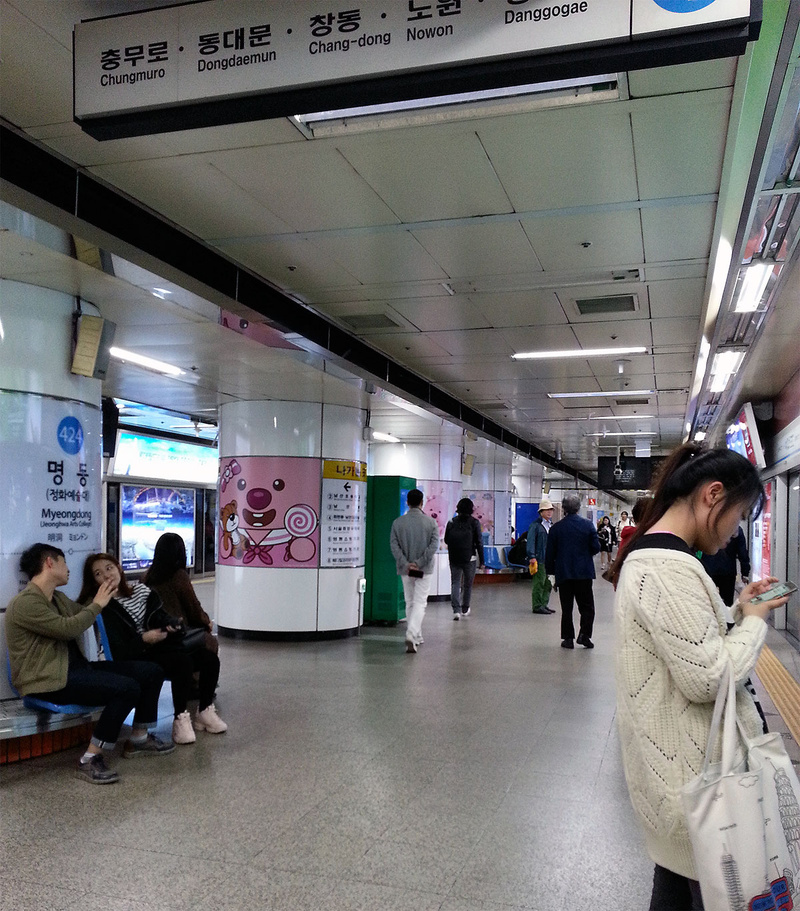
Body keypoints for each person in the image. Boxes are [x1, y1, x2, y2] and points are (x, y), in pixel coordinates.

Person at [611, 444, 791, 910]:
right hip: (699, 792)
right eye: (739, 515)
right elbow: (708, 678)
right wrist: (754, 623)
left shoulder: (656, 556)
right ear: (713, 495)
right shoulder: (668, 567)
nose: (734, 533)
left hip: (681, 787)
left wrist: (737, 611)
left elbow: (687, 645)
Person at [5, 543, 174, 785]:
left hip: (74, 670)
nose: (68, 569)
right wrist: (97, 603)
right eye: (64, 562)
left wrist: (109, 593)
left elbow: (87, 613)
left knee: (151, 671)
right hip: (46, 680)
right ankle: (90, 758)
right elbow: (69, 628)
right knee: (127, 688)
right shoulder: (25, 603)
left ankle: (138, 738)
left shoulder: (57, 598)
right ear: (50, 563)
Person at [79, 553, 227, 745]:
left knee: (209, 658)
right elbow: (119, 649)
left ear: (119, 568)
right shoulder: (103, 607)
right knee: (182, 662)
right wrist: (144, 639)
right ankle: (180, 718)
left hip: (161, 646)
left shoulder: (141, 591)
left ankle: (205, 710)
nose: (107, 575)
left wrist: (171, 624)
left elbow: (159, 615)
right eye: (98, 573)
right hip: (137, 653)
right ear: (94, 581)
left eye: (109, 568)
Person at [143, 533, 218, 656]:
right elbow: (193, 608)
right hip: (176, 631)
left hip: (153, 630)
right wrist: (206, 622)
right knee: (210, 642)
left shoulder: (147, 576)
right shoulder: (178, 576)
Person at [545, 494, 600, 649]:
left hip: (564, 573)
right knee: (587, 607)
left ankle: (568, 638)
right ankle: (584, 635)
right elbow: (596, 547)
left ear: (564, 508)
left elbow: (549, 554)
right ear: (578, 508)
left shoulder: (556, 528)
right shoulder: (588, 525)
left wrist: (551, 574)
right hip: (584, 573)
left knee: (567, 608)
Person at [390, 488, 439, 653]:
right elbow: (433, 546)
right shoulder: (431, 523)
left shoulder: (397, 523)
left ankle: (417, 635)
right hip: (424, 569)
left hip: (406, 569)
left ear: (407, 502)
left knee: (409, 601)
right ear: (422, 503)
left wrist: (406, 564)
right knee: (420, 602)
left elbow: (394, 546)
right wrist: (419, 562)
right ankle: (412, 633)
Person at [444, 498, 484, 620]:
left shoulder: (451, 522)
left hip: (454, 557)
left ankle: (456, 610)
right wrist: (482, 561)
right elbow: (479, 542)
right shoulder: (474, 523)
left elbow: (446, 540)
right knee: (467, 584)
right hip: (470, 558)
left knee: (455, 583)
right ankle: (465, 608)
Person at [700, 525, 751, 607]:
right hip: (728, 571)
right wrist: (745, 573)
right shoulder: (735, 529)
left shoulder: (707, 528)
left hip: (709, 569)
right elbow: (742, 552)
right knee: (727, 602)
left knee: (709, 601)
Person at [526, 498, 556, 614]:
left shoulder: (551, 525)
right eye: (547, 510)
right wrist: (532, 556)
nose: (549, 512)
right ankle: (537, 605)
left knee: (548, 582)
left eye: (551, 510)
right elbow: (531, 541)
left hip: (550, 559)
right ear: (541, 512)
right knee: (539, 582)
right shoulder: (535, 525)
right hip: (539, 558)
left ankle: (544, 604)